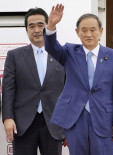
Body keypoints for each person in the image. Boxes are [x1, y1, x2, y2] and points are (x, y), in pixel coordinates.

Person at [44, 4, 113, 155]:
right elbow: (51, 47)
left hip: (104, 118)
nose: (88, 34)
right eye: (84, 30)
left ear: (100, 31)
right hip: (76, 117)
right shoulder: (69, 52)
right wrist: (51, 25)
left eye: (93, 30)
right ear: (77, 32)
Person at [2, 8, 65, 155]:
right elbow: (8, 88)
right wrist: (7, 118)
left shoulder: (61, 54)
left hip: (53, 124)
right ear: (26, 30)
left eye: (40, 25)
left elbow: (68, 90)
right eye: (31, 26)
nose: (36, 30)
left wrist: (68, 124)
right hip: (23, 124)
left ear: (47, 26)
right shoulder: (14, 56)